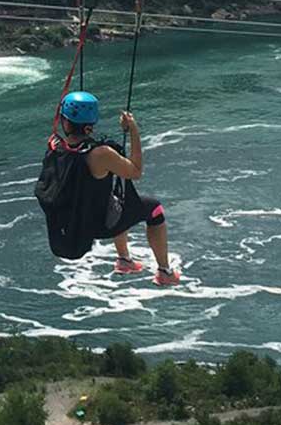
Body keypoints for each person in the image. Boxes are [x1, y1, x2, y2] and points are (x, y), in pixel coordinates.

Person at [39, 91, 178, 286]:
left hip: (70, 223)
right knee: (154, 209)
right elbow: (136, 171)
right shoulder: (101, 154)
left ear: (65, 122)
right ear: (90, 125)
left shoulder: (54, 146)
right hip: (100, 225)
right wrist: (133, 131)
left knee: (116, 197)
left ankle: (125, 261)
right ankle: (165, 272)